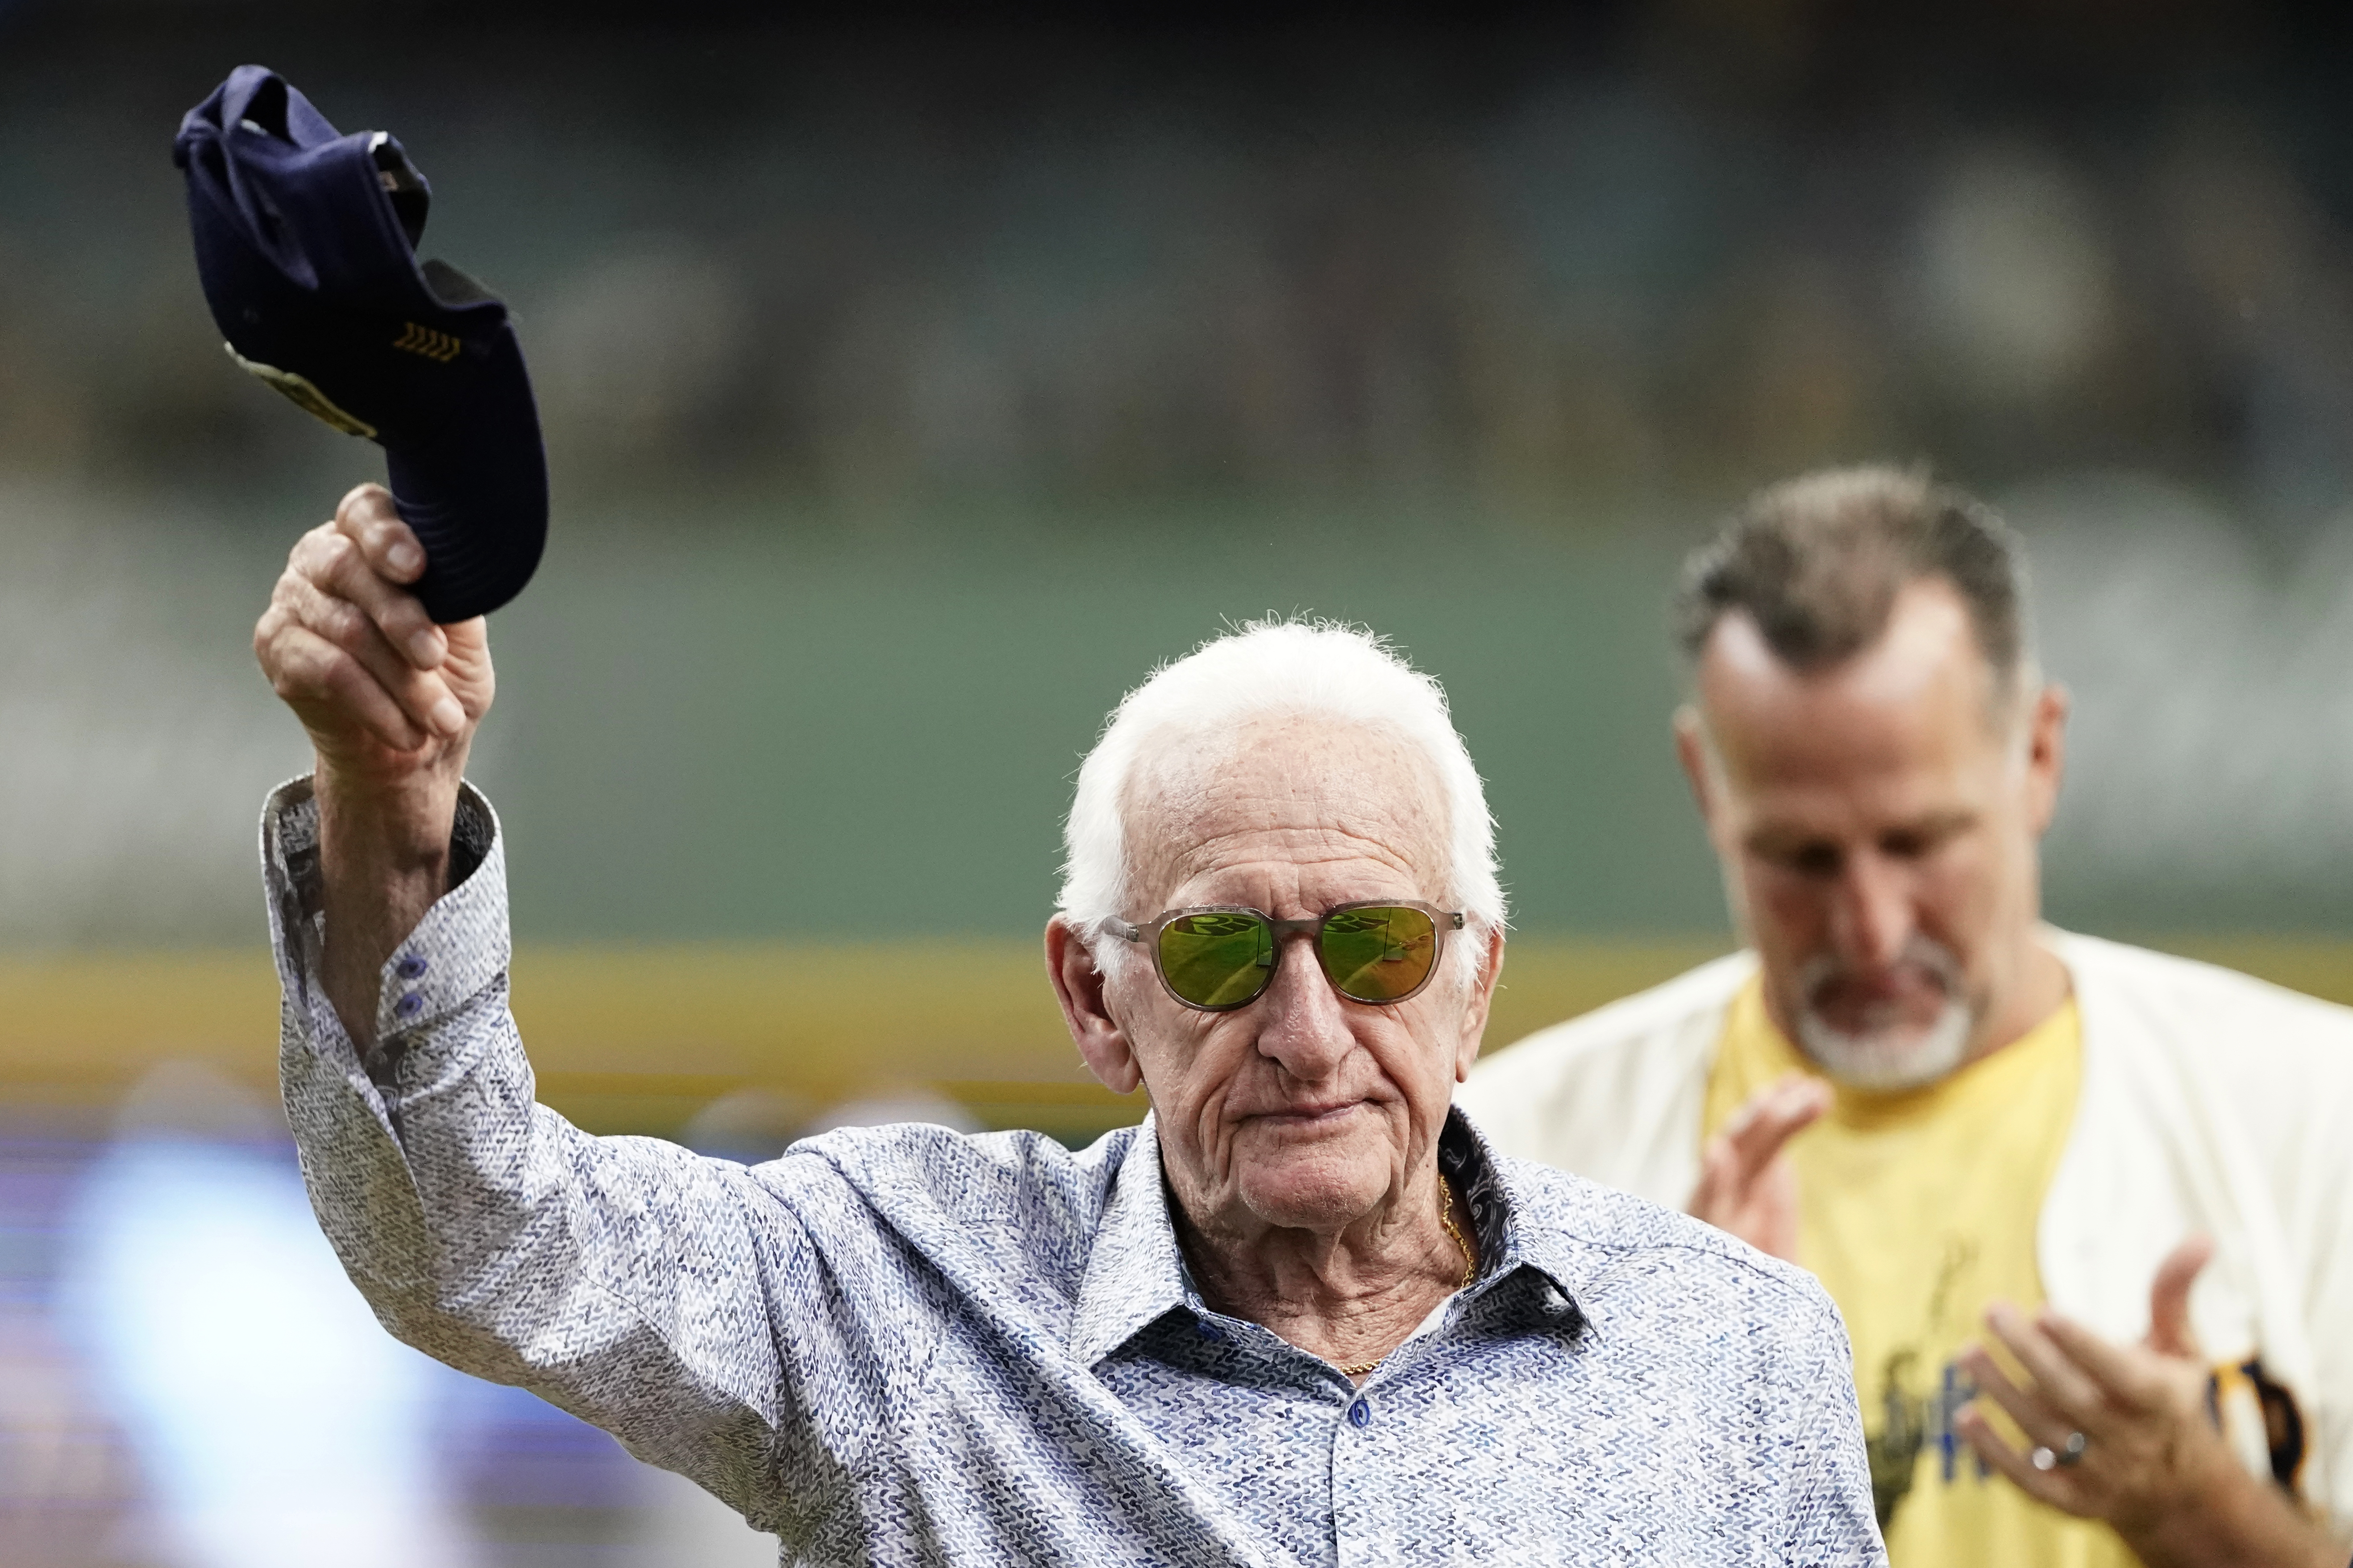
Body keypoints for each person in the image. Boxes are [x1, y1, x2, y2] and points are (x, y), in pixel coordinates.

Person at [248, 482, 1883, 1565]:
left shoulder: (1736, 1355)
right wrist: (387, 803)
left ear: (1477, 982)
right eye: (1223, 953)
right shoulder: (899, 1293)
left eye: (1376, 944)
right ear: (1095, 997)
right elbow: (473, 1235)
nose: (1310, 1030)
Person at [1459, 465, 2353, 1568]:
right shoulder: (1513, 1160)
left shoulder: (2315, 1118)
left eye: (1920, 841)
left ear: (2037, 753)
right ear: (1707, 784)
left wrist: (2200, 1508)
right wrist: (1657, 1443)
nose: (1871, 927)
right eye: (1800, 857)